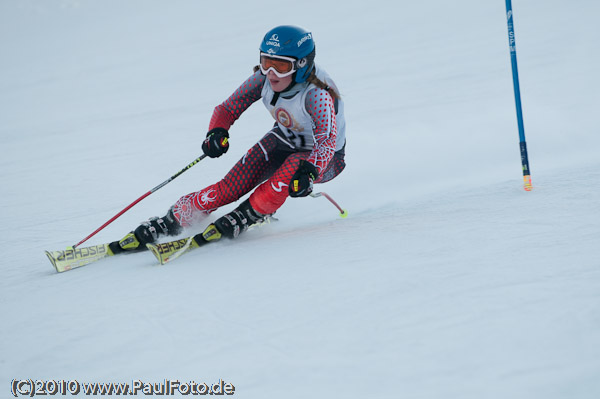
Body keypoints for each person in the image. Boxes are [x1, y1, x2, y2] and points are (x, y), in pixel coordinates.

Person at [109, 25, 346, 254]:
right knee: (229, 187)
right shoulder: (263, 80)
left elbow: (326, 142)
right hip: (285, 139)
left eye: (281, 66)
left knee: (288, 172)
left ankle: (250, 213)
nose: (271, 73)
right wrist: (217, 131)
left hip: (325, 159)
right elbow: (228, 108)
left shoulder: (317, 95)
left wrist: (309, 173)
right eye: (266, 63)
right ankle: (174, 218)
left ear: (302, 66)